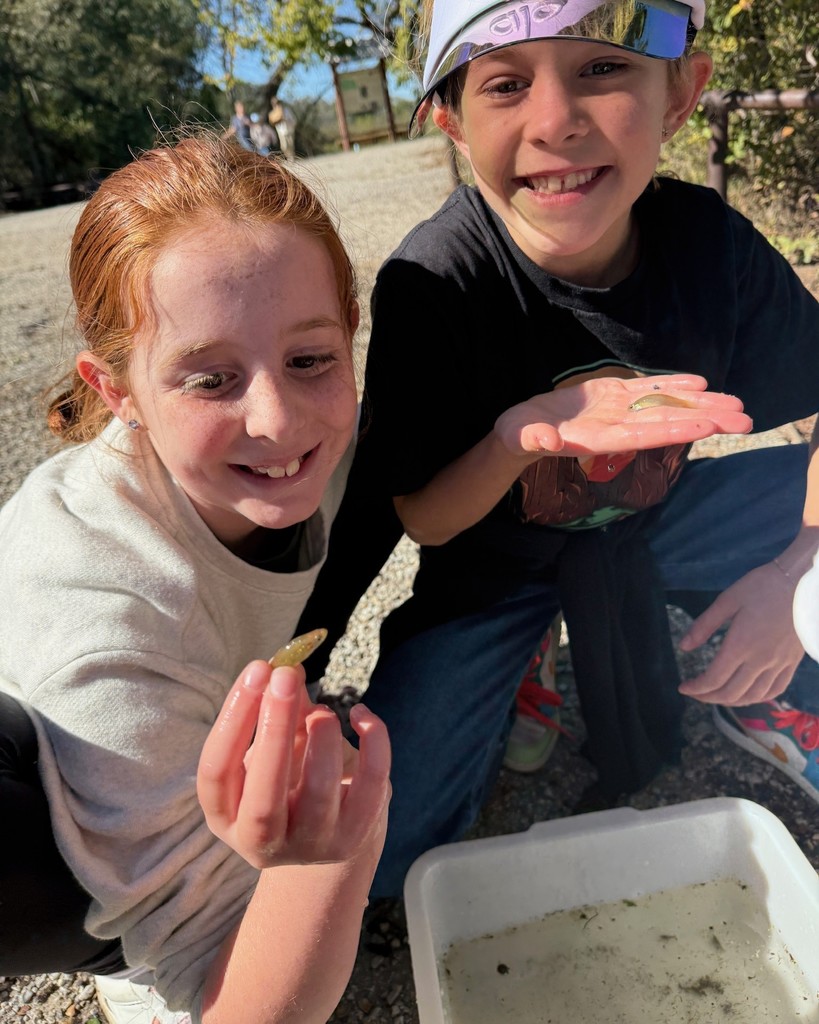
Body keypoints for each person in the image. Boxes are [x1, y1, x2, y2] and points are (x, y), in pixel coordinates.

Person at [295, 0, 819, 901]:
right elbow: (418, 514)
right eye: (506, 83)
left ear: (681, 92)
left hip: (651, 524)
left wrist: (795, 580)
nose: (554, 121)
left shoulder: (708, 244)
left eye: (602, 68)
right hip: (489, 568)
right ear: (453, 121)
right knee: (386, 853)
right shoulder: (437, 282)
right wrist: (510, 441)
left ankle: (765, 689)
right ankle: (530, 644)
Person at [0, 135, 393, 1024]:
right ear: (117, 391)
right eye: (210, 378)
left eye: (310, 359)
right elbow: (233, 1006)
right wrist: (332, 851)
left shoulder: (326, 435)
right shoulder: (108, 624)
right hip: (58, 812)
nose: (278, 418)